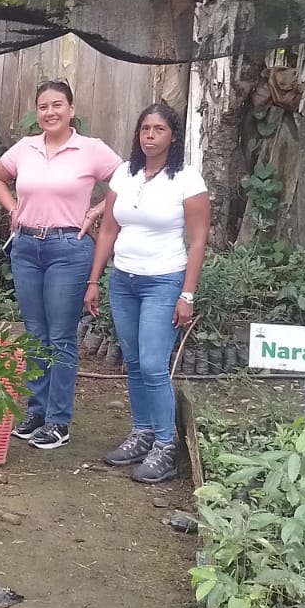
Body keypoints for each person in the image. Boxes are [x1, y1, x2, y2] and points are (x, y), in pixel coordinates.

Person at [0, 80, 122, 450]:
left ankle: (59, 421)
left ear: (71, 109)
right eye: (43, 106)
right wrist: (13, 208)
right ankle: (37, 411)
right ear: (37, 112)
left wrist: (95, 211)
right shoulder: (25, 148)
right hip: (26, 247)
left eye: (58, 105)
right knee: (35, 335)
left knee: (60, 337)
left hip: (68, 249)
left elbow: (127, 180)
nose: (50, 112)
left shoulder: (90, 149)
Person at [84, 103, 210, 484]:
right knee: (135, 362)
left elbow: (198, 241)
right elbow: (109, 229)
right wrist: (94, 280)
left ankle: (166, 448)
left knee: (154, 364)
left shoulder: (187, 180)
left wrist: (187, 295)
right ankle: (142, 433)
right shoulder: (125, 174)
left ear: (173, 135)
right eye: (144, 129)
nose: (150, 136)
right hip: (124, 281)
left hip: (163, 281)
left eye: (158, 129)